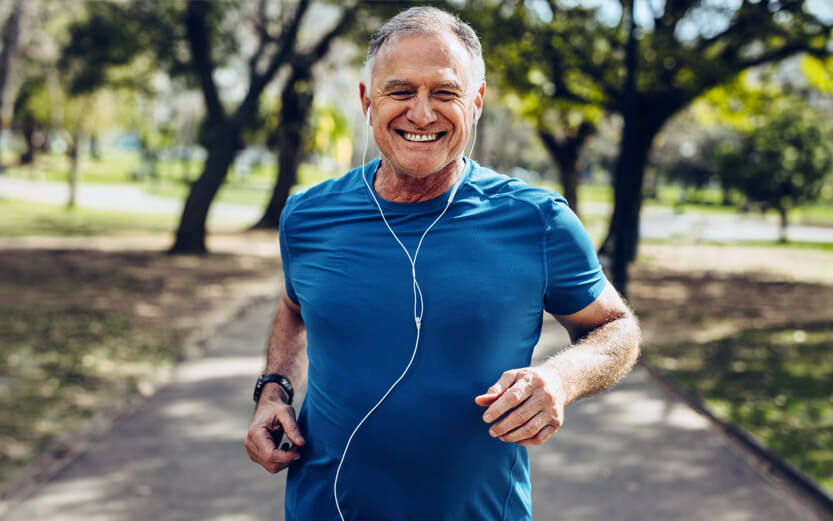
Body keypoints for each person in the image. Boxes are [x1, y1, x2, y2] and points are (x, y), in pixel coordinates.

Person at [244, 7, 640, 521]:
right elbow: (295, 308)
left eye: (445, 92)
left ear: (476, 102)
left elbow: (617, 328)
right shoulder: (307, 216)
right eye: (400, 91)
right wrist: (273, 390)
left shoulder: (539, 221)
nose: (422, 113)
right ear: (367, 100)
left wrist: (561, 380)